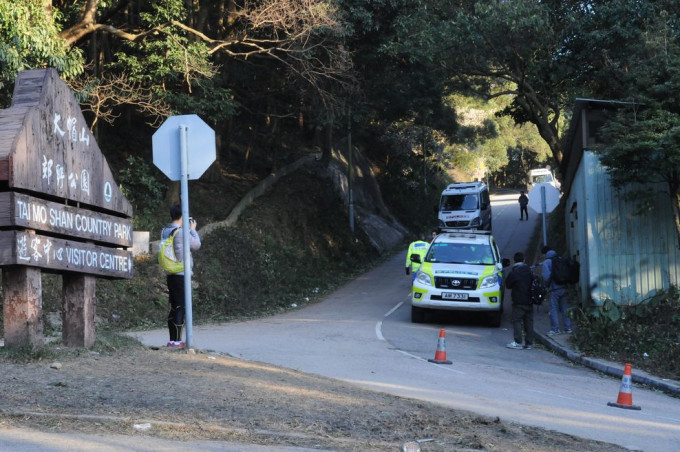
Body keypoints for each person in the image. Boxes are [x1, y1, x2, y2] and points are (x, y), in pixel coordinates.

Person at [160, 204, 201, 347]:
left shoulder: (165, 230)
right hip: (181, 273)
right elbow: (196, 245)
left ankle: (173, 339)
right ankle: (177, 341)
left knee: (174, 305)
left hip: (170, 273)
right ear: (182, 217)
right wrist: (193, 230)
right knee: (181, 306)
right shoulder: (181, 232)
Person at [504, 252, 534, 350]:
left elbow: (508, 285)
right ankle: (529, 343)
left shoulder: (515, 272)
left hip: (519, 301)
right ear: (524, 260)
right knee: (528, 322)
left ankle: (518, 342)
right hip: (530, 300)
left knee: (517, 321)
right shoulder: (529, 271)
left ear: (514, 260)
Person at [541, 246, 572, 335]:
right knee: (565, 308)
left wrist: (546, 286)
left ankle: (555, 329)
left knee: (553, 308)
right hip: (564, 287)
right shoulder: (561, 259)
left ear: (545, 254)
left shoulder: (547, 262)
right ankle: (568, 328)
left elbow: (546, 277)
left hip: (554, 289)